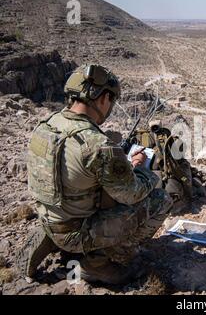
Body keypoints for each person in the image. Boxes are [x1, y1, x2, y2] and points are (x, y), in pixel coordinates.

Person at [19, 64, 173, 285]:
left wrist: (117, 167)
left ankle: (50, 242)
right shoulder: (97, 144)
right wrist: (141, 169)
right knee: (161, 200)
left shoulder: (48, 125)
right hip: (76, 230)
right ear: (102, 98)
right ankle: (100, 262)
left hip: (51, 215)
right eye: (110, 100)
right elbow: (132, 194)